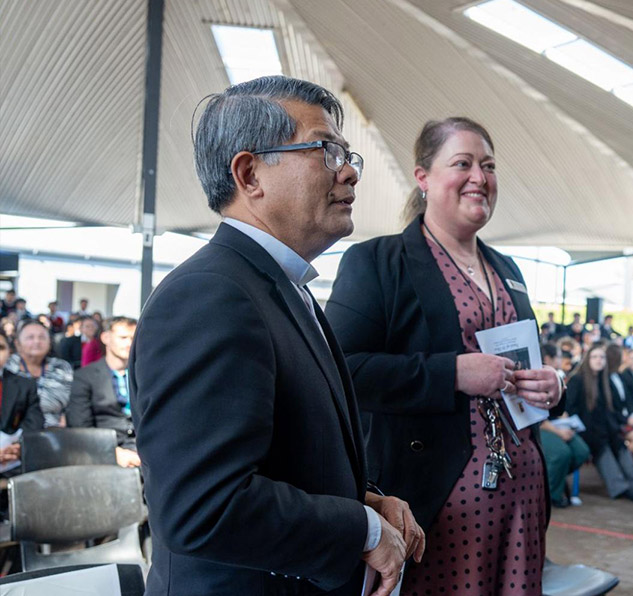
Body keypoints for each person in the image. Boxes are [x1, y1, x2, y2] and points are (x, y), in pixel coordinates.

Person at [129, 76, 420, 596]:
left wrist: (365, 500)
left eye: (347, 154)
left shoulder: (281, 288)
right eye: (326, 150)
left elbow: (289, 455)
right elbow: (203, 507)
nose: (349, 171)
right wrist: (361, 529)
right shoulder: (209, 294)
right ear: (250, 174)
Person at [327, 116, 563, 596]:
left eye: (489, 166)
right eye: (463, 163)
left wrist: (552, 384)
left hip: (520, 498)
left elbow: (526, 361)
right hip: (438, 507)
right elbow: (341, 370)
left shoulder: (508, 269)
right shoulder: (378, 262)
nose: (480, 177)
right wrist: (450, 373)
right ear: (423, 177)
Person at [564, 344, 633, 501]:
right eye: (595, 357)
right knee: (601, 444)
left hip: (605, 426)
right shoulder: (577, 380)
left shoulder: (605, 381)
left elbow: (612, 410)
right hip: (584, 429)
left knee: (618, 442)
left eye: (602, 357)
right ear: (587, 359)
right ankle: (619, 487)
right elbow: (570, 409)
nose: (599, 360)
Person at [66, 316, 140, 467]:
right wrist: (113, 452)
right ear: (106, 338)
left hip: (145, 448)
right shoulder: (84, 376)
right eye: (123, 338)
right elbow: (80, 426)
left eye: (133, 338)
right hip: (105, 451)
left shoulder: (145, 375)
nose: (129, 343)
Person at [538, 343, 590, 508]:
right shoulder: (537, 378)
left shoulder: (558, 377)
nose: (562, 360)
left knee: (581, 451)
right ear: (548, 359)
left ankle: (553, 481)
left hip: (556, 424)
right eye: (559, 356)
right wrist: (559, 432)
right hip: (540, 427)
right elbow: (537, 418)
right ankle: (549, 495)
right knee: (561, 454)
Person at [7, 320, 73, 428]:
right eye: (30, 337)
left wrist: (67, 417)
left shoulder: (61, 367)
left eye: (42, 337)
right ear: (17, 343)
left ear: (49, 342)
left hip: (54, 431)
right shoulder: (7, 366)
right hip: (12, 430)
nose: (37, 341)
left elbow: (73, 401)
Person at [0, 337, 44, 468]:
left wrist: (17, 448)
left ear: (9, 352)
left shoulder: (25, 385)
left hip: (11, 462)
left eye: (1, 348)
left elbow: (33, 424)